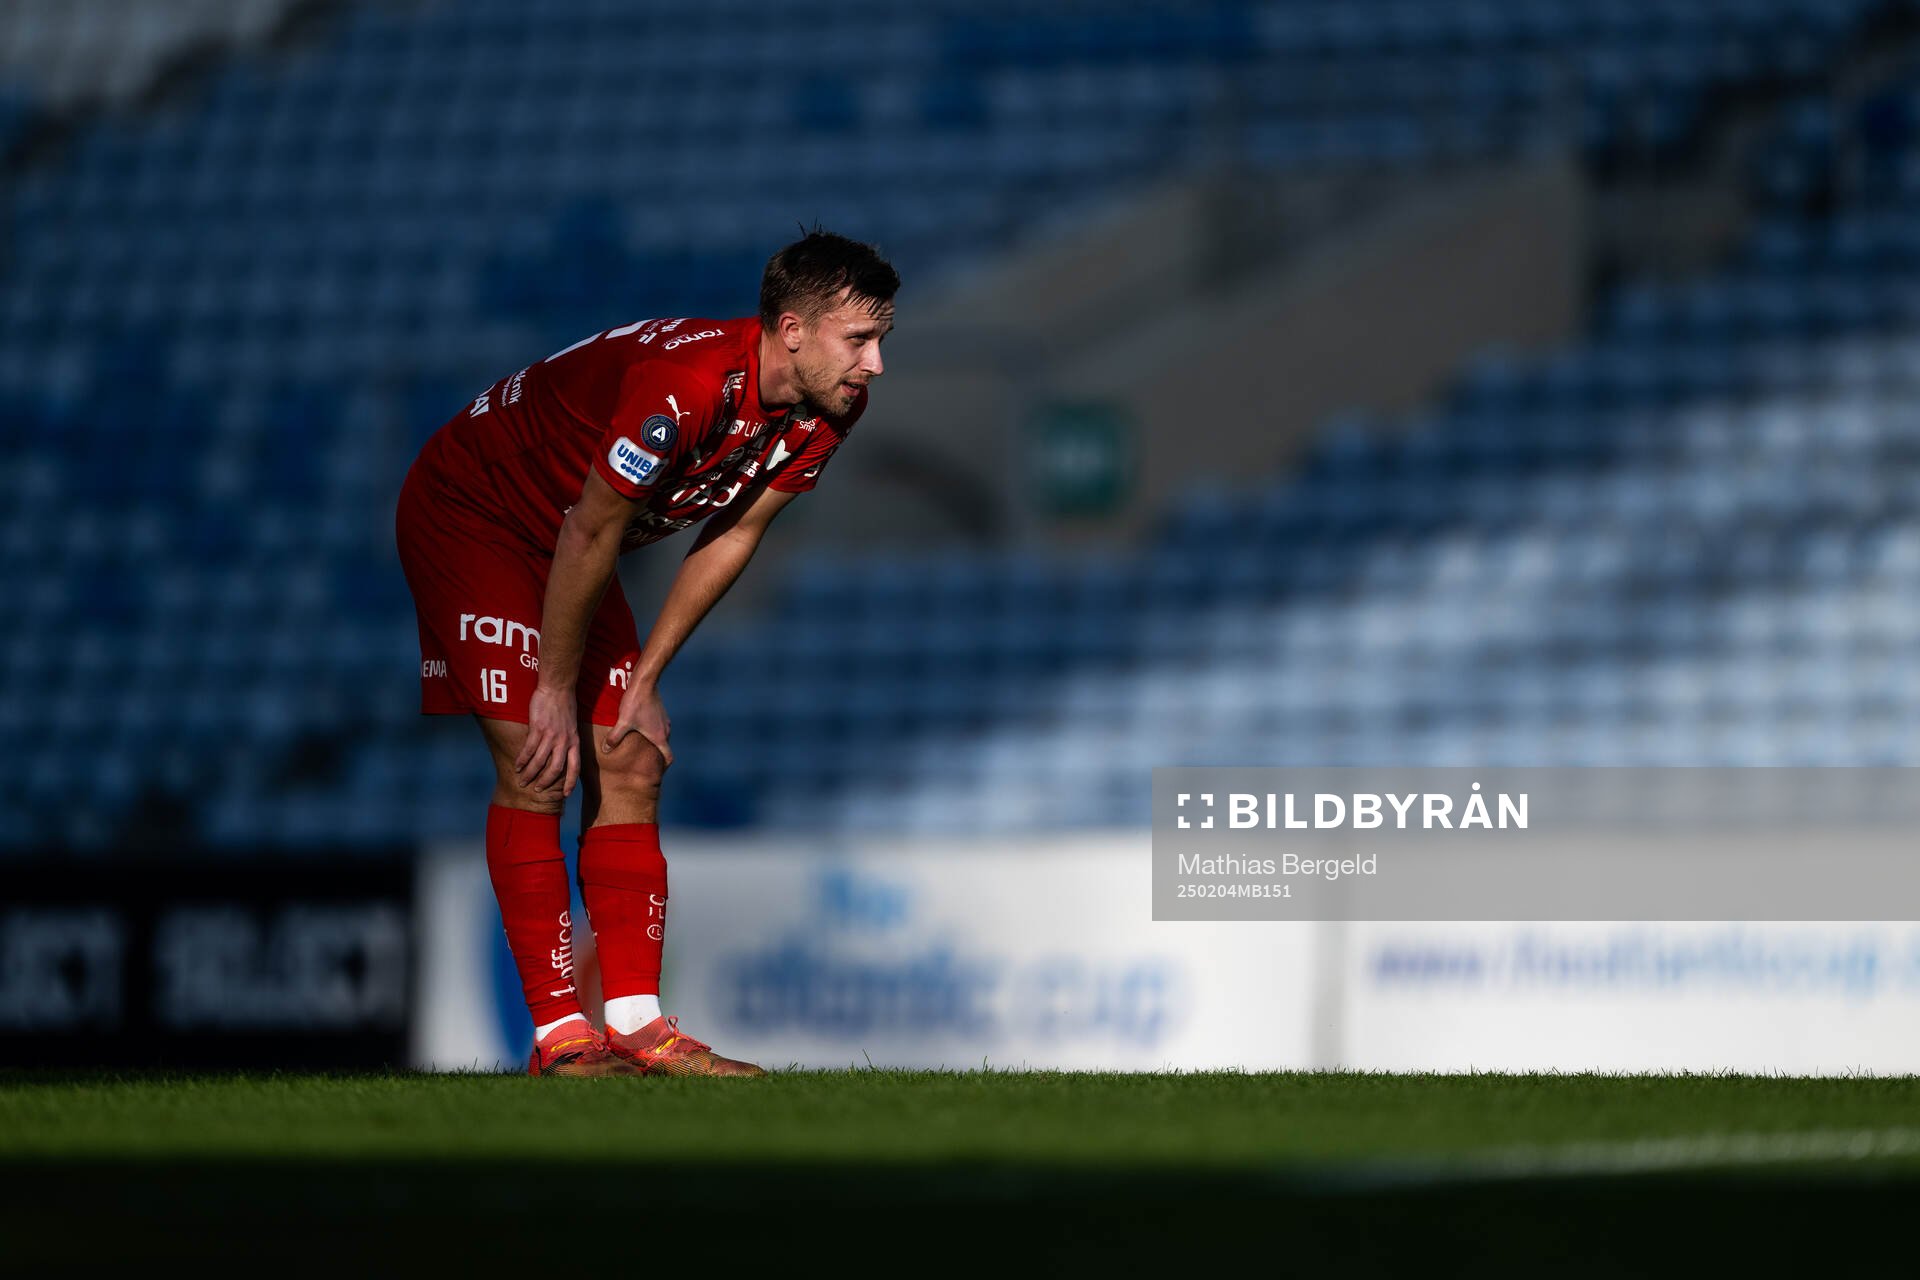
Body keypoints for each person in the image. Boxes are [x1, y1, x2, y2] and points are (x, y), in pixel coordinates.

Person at [395, 230, 898, 1077]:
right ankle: (561, 1039)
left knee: (631, 756)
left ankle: (638, 1028)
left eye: (882, 339)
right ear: (791, 331)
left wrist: (649, 678)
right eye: (860, 340)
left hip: (574, 545)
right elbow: (591, 525)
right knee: (538, 756)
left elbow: (734, 533)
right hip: (475, 515)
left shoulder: (827, 408)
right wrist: (553, 687)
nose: (876, 363)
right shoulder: (688, 385)